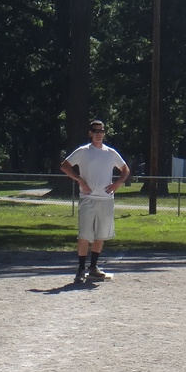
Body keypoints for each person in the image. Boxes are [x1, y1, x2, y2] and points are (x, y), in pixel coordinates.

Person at [60, 120, 130, 283]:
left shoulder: (110, 153)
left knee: (100, 235)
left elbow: (125, 169)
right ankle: (81, 269)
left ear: (105, 133)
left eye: (101, 130)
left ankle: (93, 267)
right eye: (95, 130)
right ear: (90, 133)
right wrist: (79, 180)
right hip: (88, 198)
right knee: (84, 235)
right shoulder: (83, 151)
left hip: (105, 199)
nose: (99, 133)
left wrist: (118, 183)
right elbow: (65, 166)